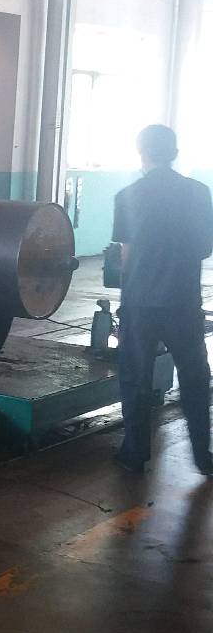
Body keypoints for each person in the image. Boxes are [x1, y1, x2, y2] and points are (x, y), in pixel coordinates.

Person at [111, 123, 213, 476]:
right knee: (194, 377)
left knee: (135, 379)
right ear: (175, 152)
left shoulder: (128, 195)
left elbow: (126, 255)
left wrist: (127, 299)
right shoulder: (199, 192)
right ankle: (203, 456)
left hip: (140, 303)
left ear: (141, 152)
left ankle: (135, 453)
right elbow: (205, 248)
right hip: (183, 301)